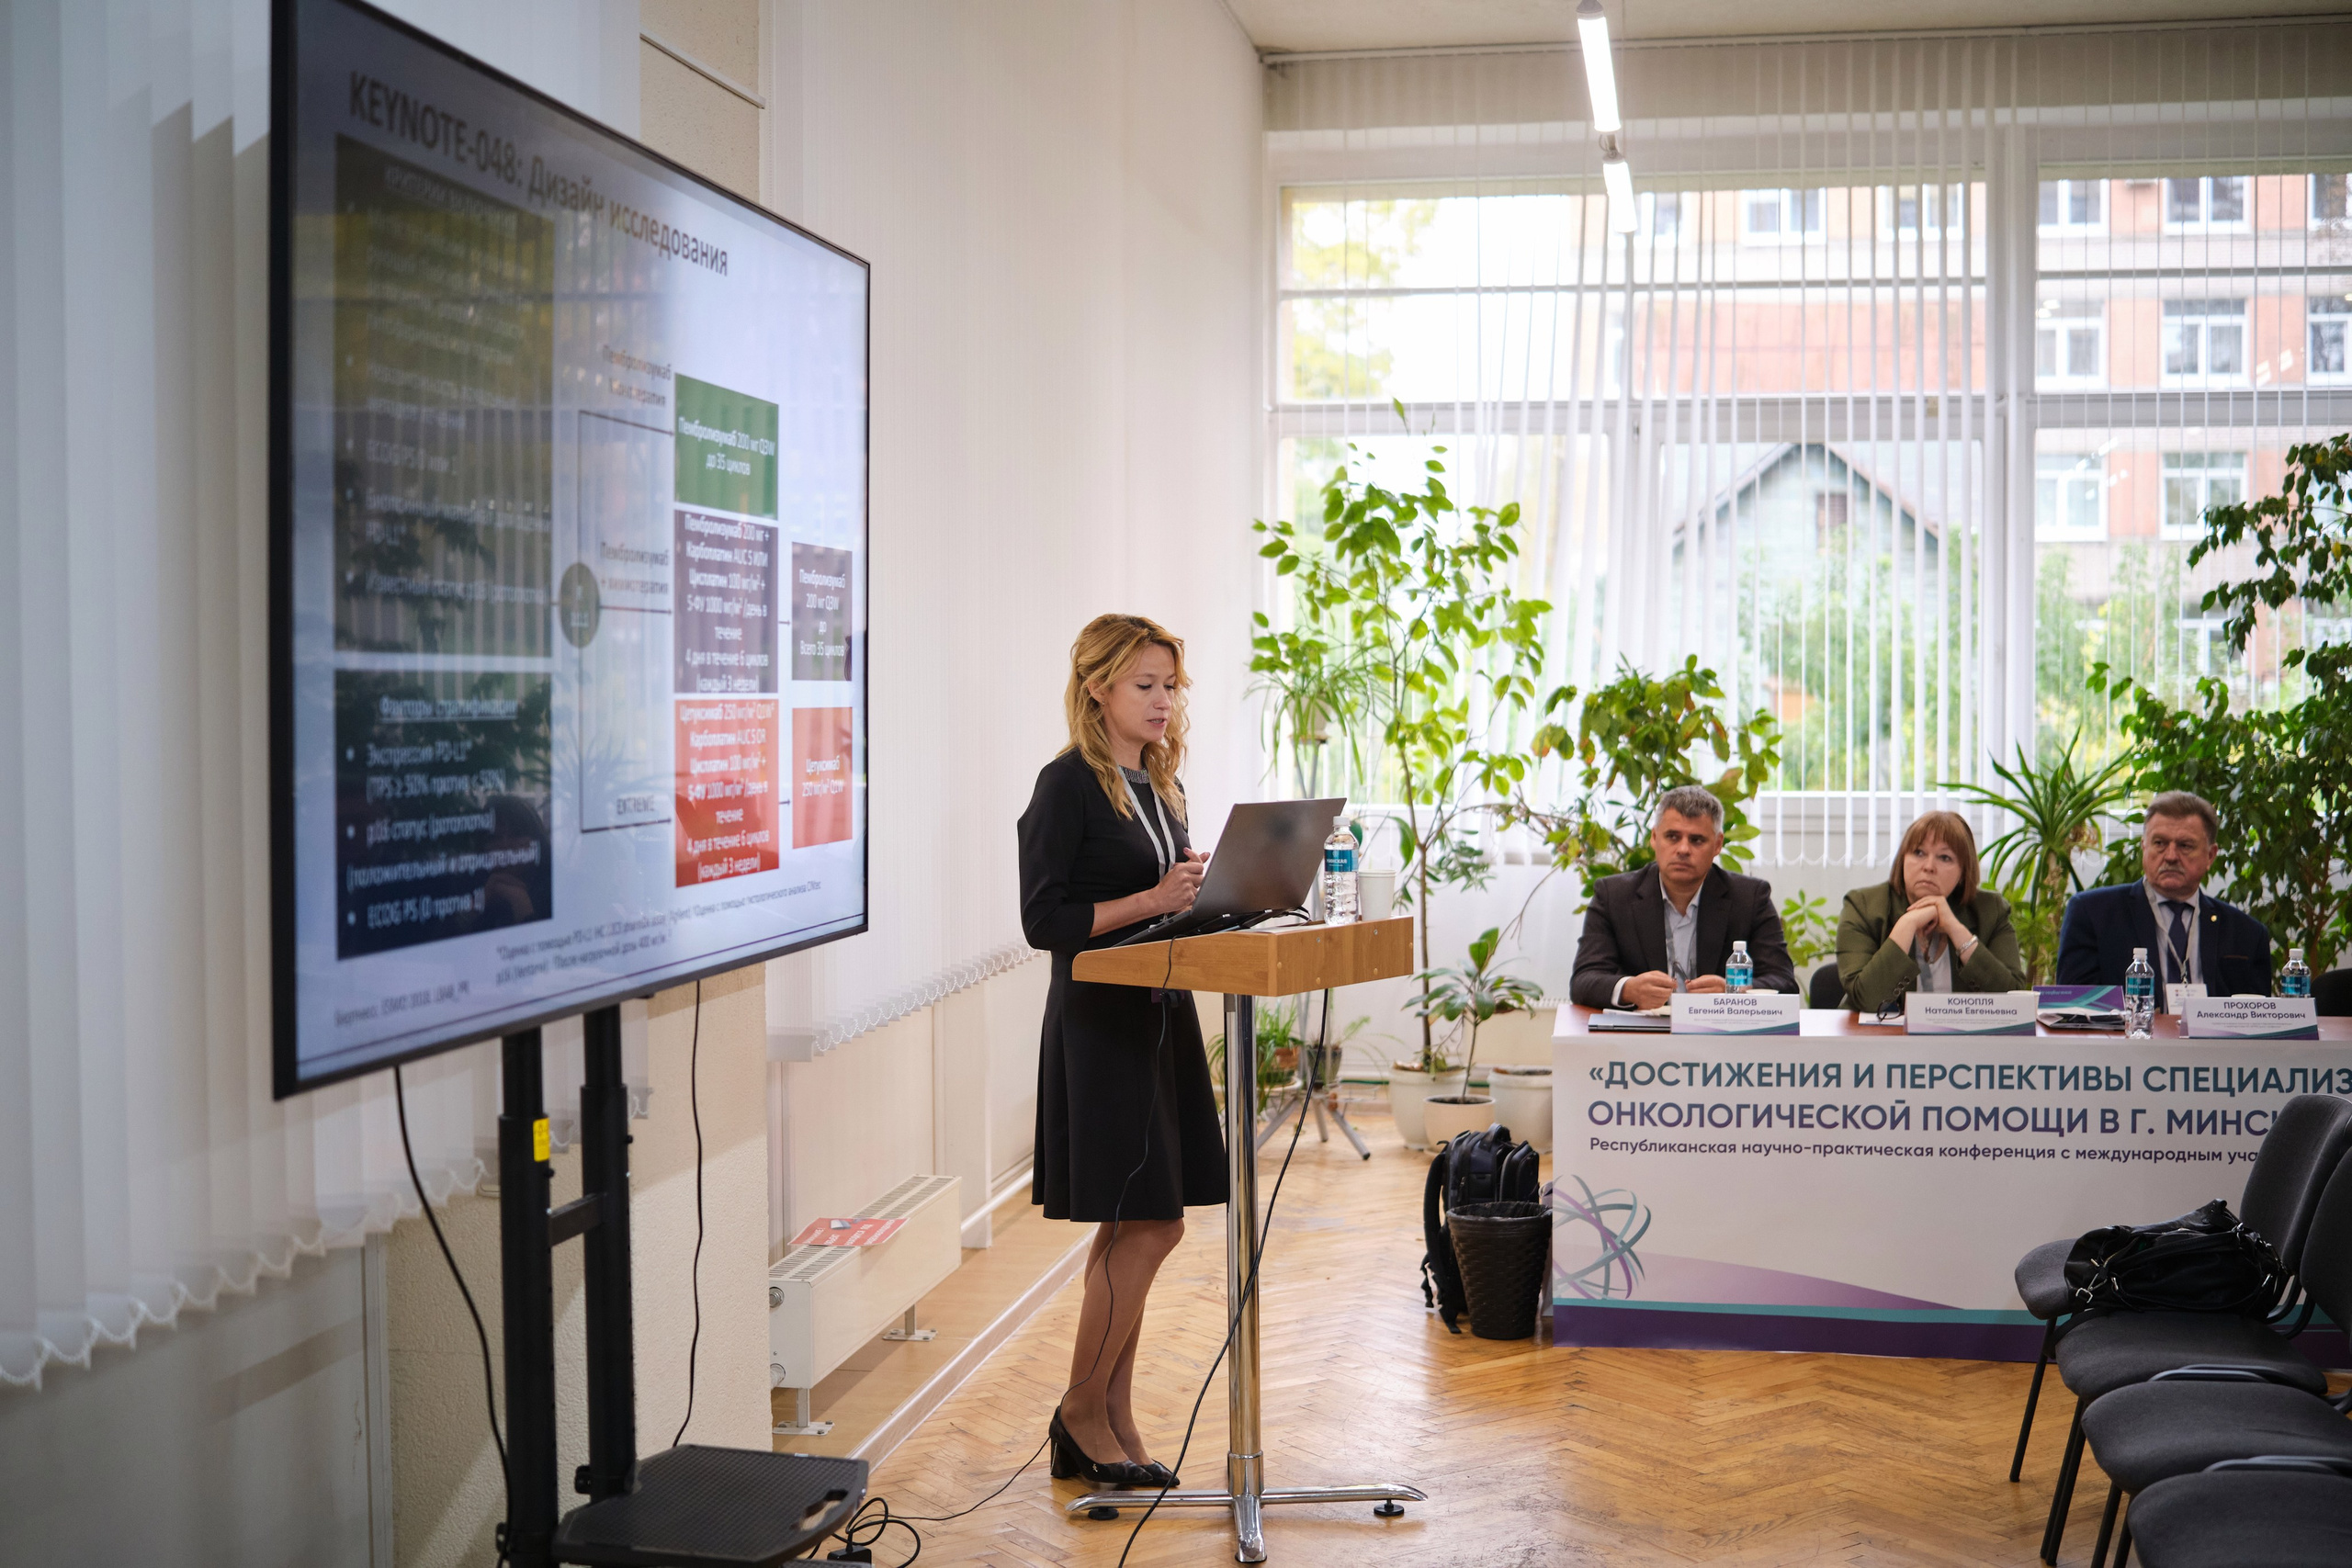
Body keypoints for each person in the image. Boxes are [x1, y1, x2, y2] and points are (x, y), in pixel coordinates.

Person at [1017, 614, 1227, 1492]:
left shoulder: (1160, 784)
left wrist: (1210, 892)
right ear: (1098, 686)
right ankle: (1078, 1407)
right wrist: (1152, 895)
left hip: (1159, 1013)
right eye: (1145, 684)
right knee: (1154, 1220)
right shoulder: (1065, 785)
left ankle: (1111, 1414)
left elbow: (1161, 904)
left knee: (1134, 1220)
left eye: (1171, 685)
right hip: (1100, 1025)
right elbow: (1045, 922)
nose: (1163, 701)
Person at [1569, 784, 1798, 1009]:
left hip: (1719, 1038)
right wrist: (1629, 989)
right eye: (1672, 837)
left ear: (1718, 844)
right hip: (1640, 1037)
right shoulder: (1613, 896)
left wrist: (1733, 992)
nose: (1683, 849)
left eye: (1697, 840)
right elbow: (1584, 981)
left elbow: (1784, 982)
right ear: (1654, 838)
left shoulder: (1750, 898)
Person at [2055, 791, 2273, 997]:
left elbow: (2256, 1026)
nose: (2170, 856)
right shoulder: (2093, 915)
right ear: (2144, 848)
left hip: (2212, 1038)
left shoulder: (2247, 935)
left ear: (2210, 856)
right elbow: (2077, 1010)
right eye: (2159, 843)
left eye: (2185, 845)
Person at [1835, 810, 2027, 1013]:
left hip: (1963, 1042)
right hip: (1883, 1042)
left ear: (1963, 872)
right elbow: (1866, 999)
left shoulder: (1990, 910)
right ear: (1903, 860)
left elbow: (2012, 1002)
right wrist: (1907, 924)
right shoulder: (1863, 906)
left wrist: (1956, 930)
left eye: (1945, 857)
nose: (1928, 867)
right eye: (1918, 853)